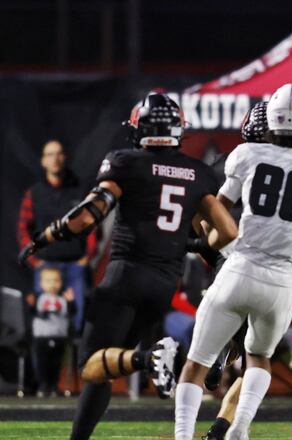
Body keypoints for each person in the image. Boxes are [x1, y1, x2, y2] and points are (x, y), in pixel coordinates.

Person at [18, 92, 238, 439]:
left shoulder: (126, 162)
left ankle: (149, 358)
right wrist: (190, 244)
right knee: (106, 365)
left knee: (89, 366)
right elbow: (226, 231)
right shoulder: (195, 172)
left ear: (140, 129)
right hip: (166, 281)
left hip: (126, 275)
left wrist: (47, 235)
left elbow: (88, 216)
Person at [173, 83, 292, 440]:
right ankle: (239, 428)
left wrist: (213, 245)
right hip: (282, 281)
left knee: (195, 364)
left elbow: (214, 213)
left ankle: (184, 436)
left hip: (240, 267)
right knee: (260, 358)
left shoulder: (247, 155)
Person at [18, 139, 96, 333]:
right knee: (44, 324)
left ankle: (76, 363)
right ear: (43, 161)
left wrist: (88, 257)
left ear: (65, 158)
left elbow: (92, 224)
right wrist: (35, 260)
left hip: (75, 266)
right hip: (46, 267)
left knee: (77, 323)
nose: (55, 159)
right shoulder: (35, 193)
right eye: (50, 154)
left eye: (59, 153)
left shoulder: (79, 190)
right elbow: (23, 228)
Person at [26, 266, 75, 397]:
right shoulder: (39, 298)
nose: (52, 284)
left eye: (56, 280)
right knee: (42, 363)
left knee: (56, 363)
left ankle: (53, 386)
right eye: (48, 281)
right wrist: (31, 305)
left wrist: (71, 302)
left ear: (61, 282)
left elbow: (72, 312)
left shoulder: (63, 298)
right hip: (42, 336)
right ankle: (43, 386)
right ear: (41, 283)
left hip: (59, 336)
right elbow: (33, 312)